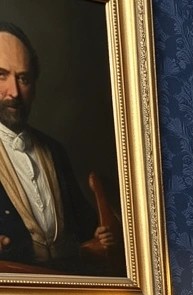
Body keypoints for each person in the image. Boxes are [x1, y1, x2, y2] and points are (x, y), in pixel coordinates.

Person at [0, 21, 120, 273]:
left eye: (23, 78)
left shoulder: (54, 150)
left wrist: (101, 237)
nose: (14, 92)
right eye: (1, 76)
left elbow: (84, 227)